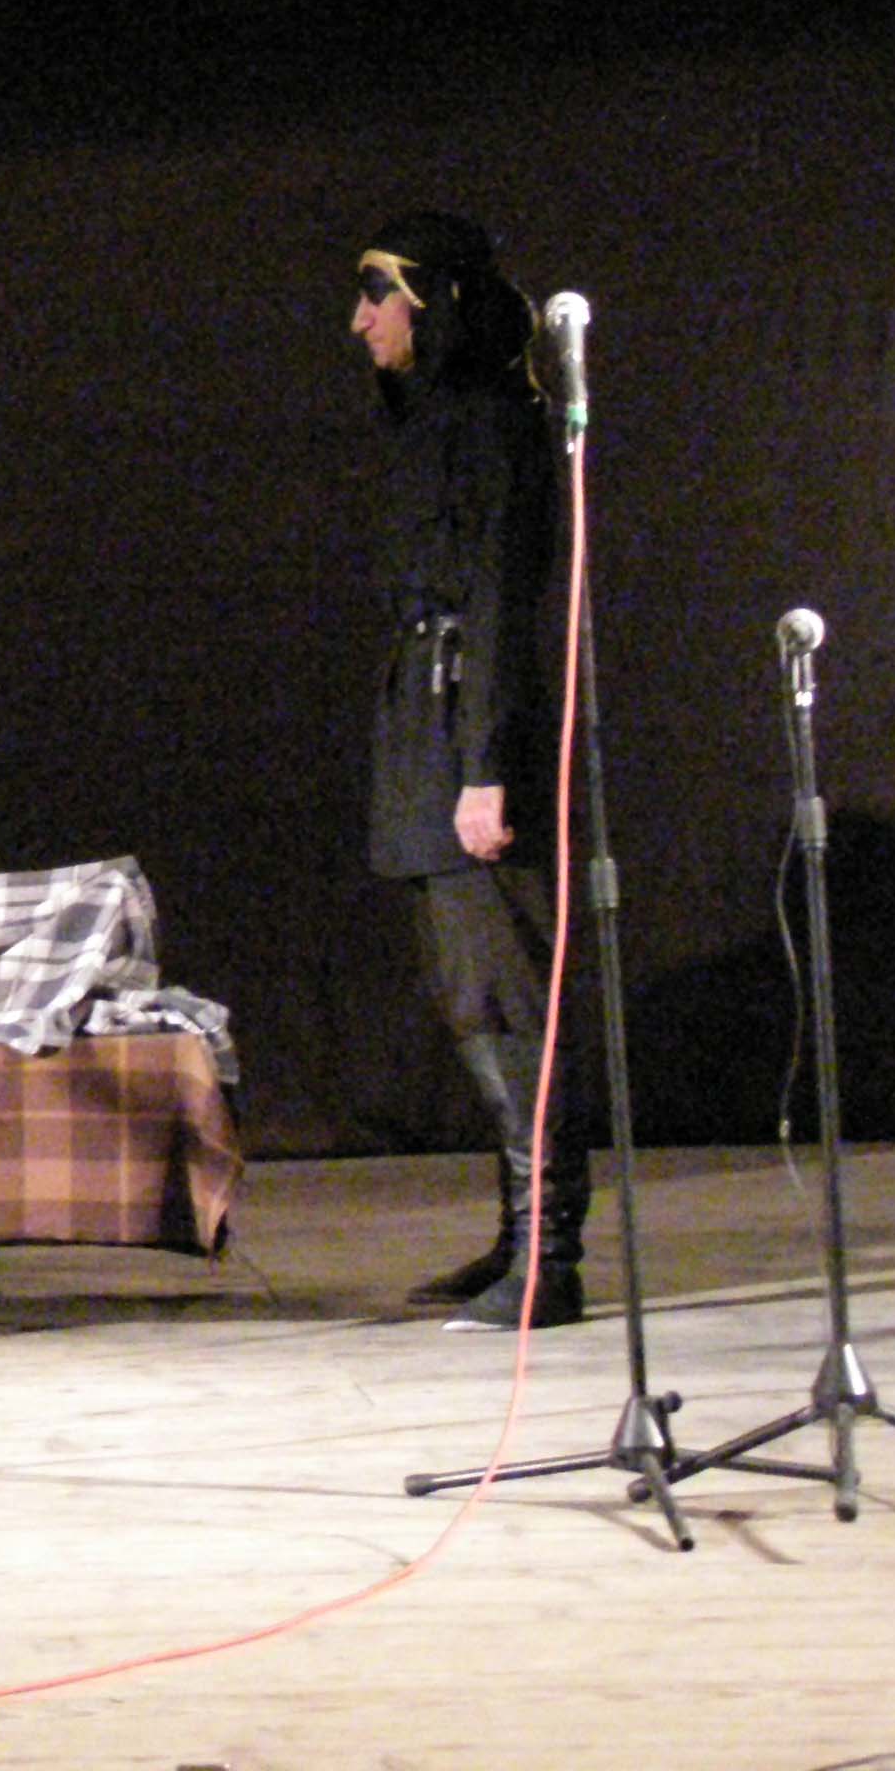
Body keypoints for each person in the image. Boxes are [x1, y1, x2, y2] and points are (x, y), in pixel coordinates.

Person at [351, 212, 587, 1330]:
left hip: (469, 729)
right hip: (428, 722)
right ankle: (517, 1237)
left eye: (377, 297)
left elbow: (498, 600)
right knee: (469, 997)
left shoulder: (496, 424)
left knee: (506, 999)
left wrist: (484, 767)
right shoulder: (437, 424)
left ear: (432, 303)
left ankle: (549, 1257)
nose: (361, 323)